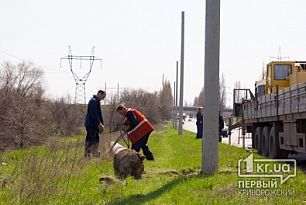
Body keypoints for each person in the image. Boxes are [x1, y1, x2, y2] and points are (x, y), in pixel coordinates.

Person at [84, 90, 106, 157]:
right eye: (103, 96)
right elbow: (94, 114)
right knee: (91, 139)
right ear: (99, 93)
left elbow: (99, 114)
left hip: (94, 124)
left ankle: (93, 153)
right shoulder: (93, 101)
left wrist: (102, 123)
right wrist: (99, 124)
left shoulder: (96, 101)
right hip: (91, 124)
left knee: (95, 139)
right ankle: (88, 154)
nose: (103, 98)